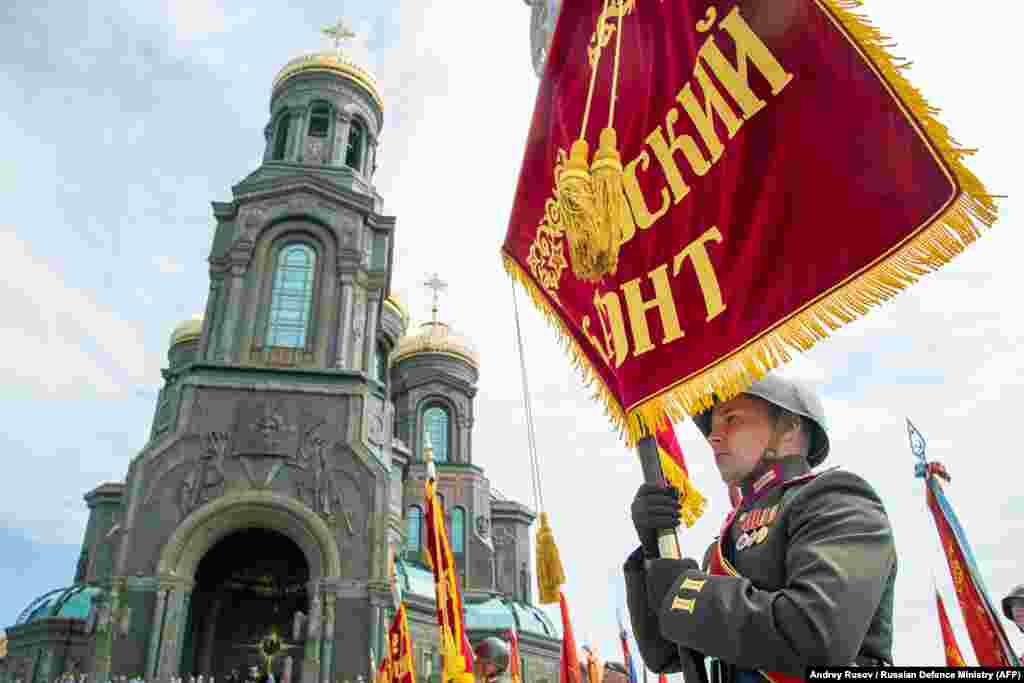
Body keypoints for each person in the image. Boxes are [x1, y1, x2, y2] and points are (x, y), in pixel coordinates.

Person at [624, 373, 897, 681]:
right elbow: (667, 655)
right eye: (713, 427)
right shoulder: (723, 544)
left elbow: (819, 634)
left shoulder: (836, 496)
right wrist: (654, 554)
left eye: (732, 419)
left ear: (790, 429)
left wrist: (686, 591)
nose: (714, 436)